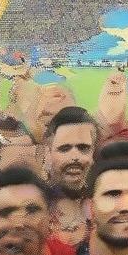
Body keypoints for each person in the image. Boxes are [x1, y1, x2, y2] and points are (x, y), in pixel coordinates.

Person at [42, 106, 98, 247]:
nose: (75, 157)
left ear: (93, 154)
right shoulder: (32, 208)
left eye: (83, 148)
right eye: (64, 149)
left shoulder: (105, 207)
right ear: (47, 154)